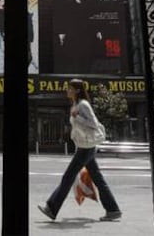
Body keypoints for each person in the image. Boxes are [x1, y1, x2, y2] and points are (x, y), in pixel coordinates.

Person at [38, 78, 122, 222]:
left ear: (77, 90)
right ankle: (113, 209)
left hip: (86, 148)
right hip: (85, 146)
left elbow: (94, 124)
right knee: (97, 179)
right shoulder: (76, 104)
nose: (67, 90)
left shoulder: (83, 105)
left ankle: (52, 208)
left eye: (69, 88)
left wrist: (78, 117)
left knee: (68, 177)